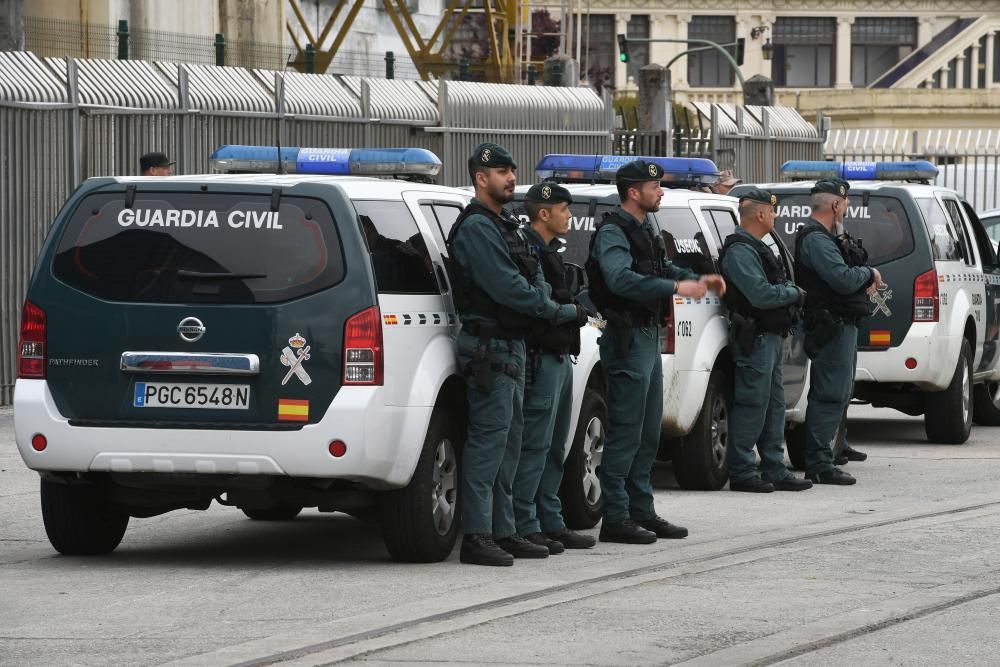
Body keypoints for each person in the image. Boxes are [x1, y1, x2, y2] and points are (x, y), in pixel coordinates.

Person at [448, 143, 587, 566]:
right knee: (488, 445)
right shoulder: (476, 228)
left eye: (511, 170)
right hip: (490, 345)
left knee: (510, 445)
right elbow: (508, 287)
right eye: (501, 171)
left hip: (513, 345)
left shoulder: (503, 224)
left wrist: (545, 300)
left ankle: (504, 530)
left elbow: (534, 279)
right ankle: (477, 535)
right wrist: (559, 311)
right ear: (480, 177)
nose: (511, 177)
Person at [586, 159, 726, 544]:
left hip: (646, 337)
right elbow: (619, 279)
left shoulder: (645, 227)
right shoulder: (614, 232)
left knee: (648, 432)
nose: (660, 191)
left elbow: (661, 268)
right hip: (627, 339)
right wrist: (676, 290)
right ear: (634, 192)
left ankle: (641, 510)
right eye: (654, 186)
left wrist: (695, 279)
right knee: (627, 432)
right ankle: (616, 517)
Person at [512, 181, 596, 554]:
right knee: (535, 444)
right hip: (540, 358)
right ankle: (526, 523)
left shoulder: (549, 250)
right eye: (564, 209)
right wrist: (573, 312)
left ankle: (550, 520)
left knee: (555, 445)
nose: (569, 216)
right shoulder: (528, 248)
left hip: (559, 356)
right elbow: (540, 303)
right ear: (544, 213)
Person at [720, 188, 812, 493]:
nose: (775, 216)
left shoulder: (756, 247)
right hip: (755, 339)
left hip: (769, 339)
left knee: (773, 405)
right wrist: (793, 293)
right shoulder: (740, 251)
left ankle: (774, 467)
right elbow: (760, 294)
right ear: (760, 214)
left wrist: (787, 289)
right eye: (772, 211)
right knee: (752, 404)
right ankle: (743, 470)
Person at [794, 178, 884, 485]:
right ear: (835, 204)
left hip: (840, 323)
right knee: (830, 394)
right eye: (844, 203)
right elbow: (842, 279)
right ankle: (819, 463)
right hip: (830, 324)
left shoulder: (827, 237)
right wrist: (868, 273)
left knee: (838, 392)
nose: (846, 208)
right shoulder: (816, 239)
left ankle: (827, 455)